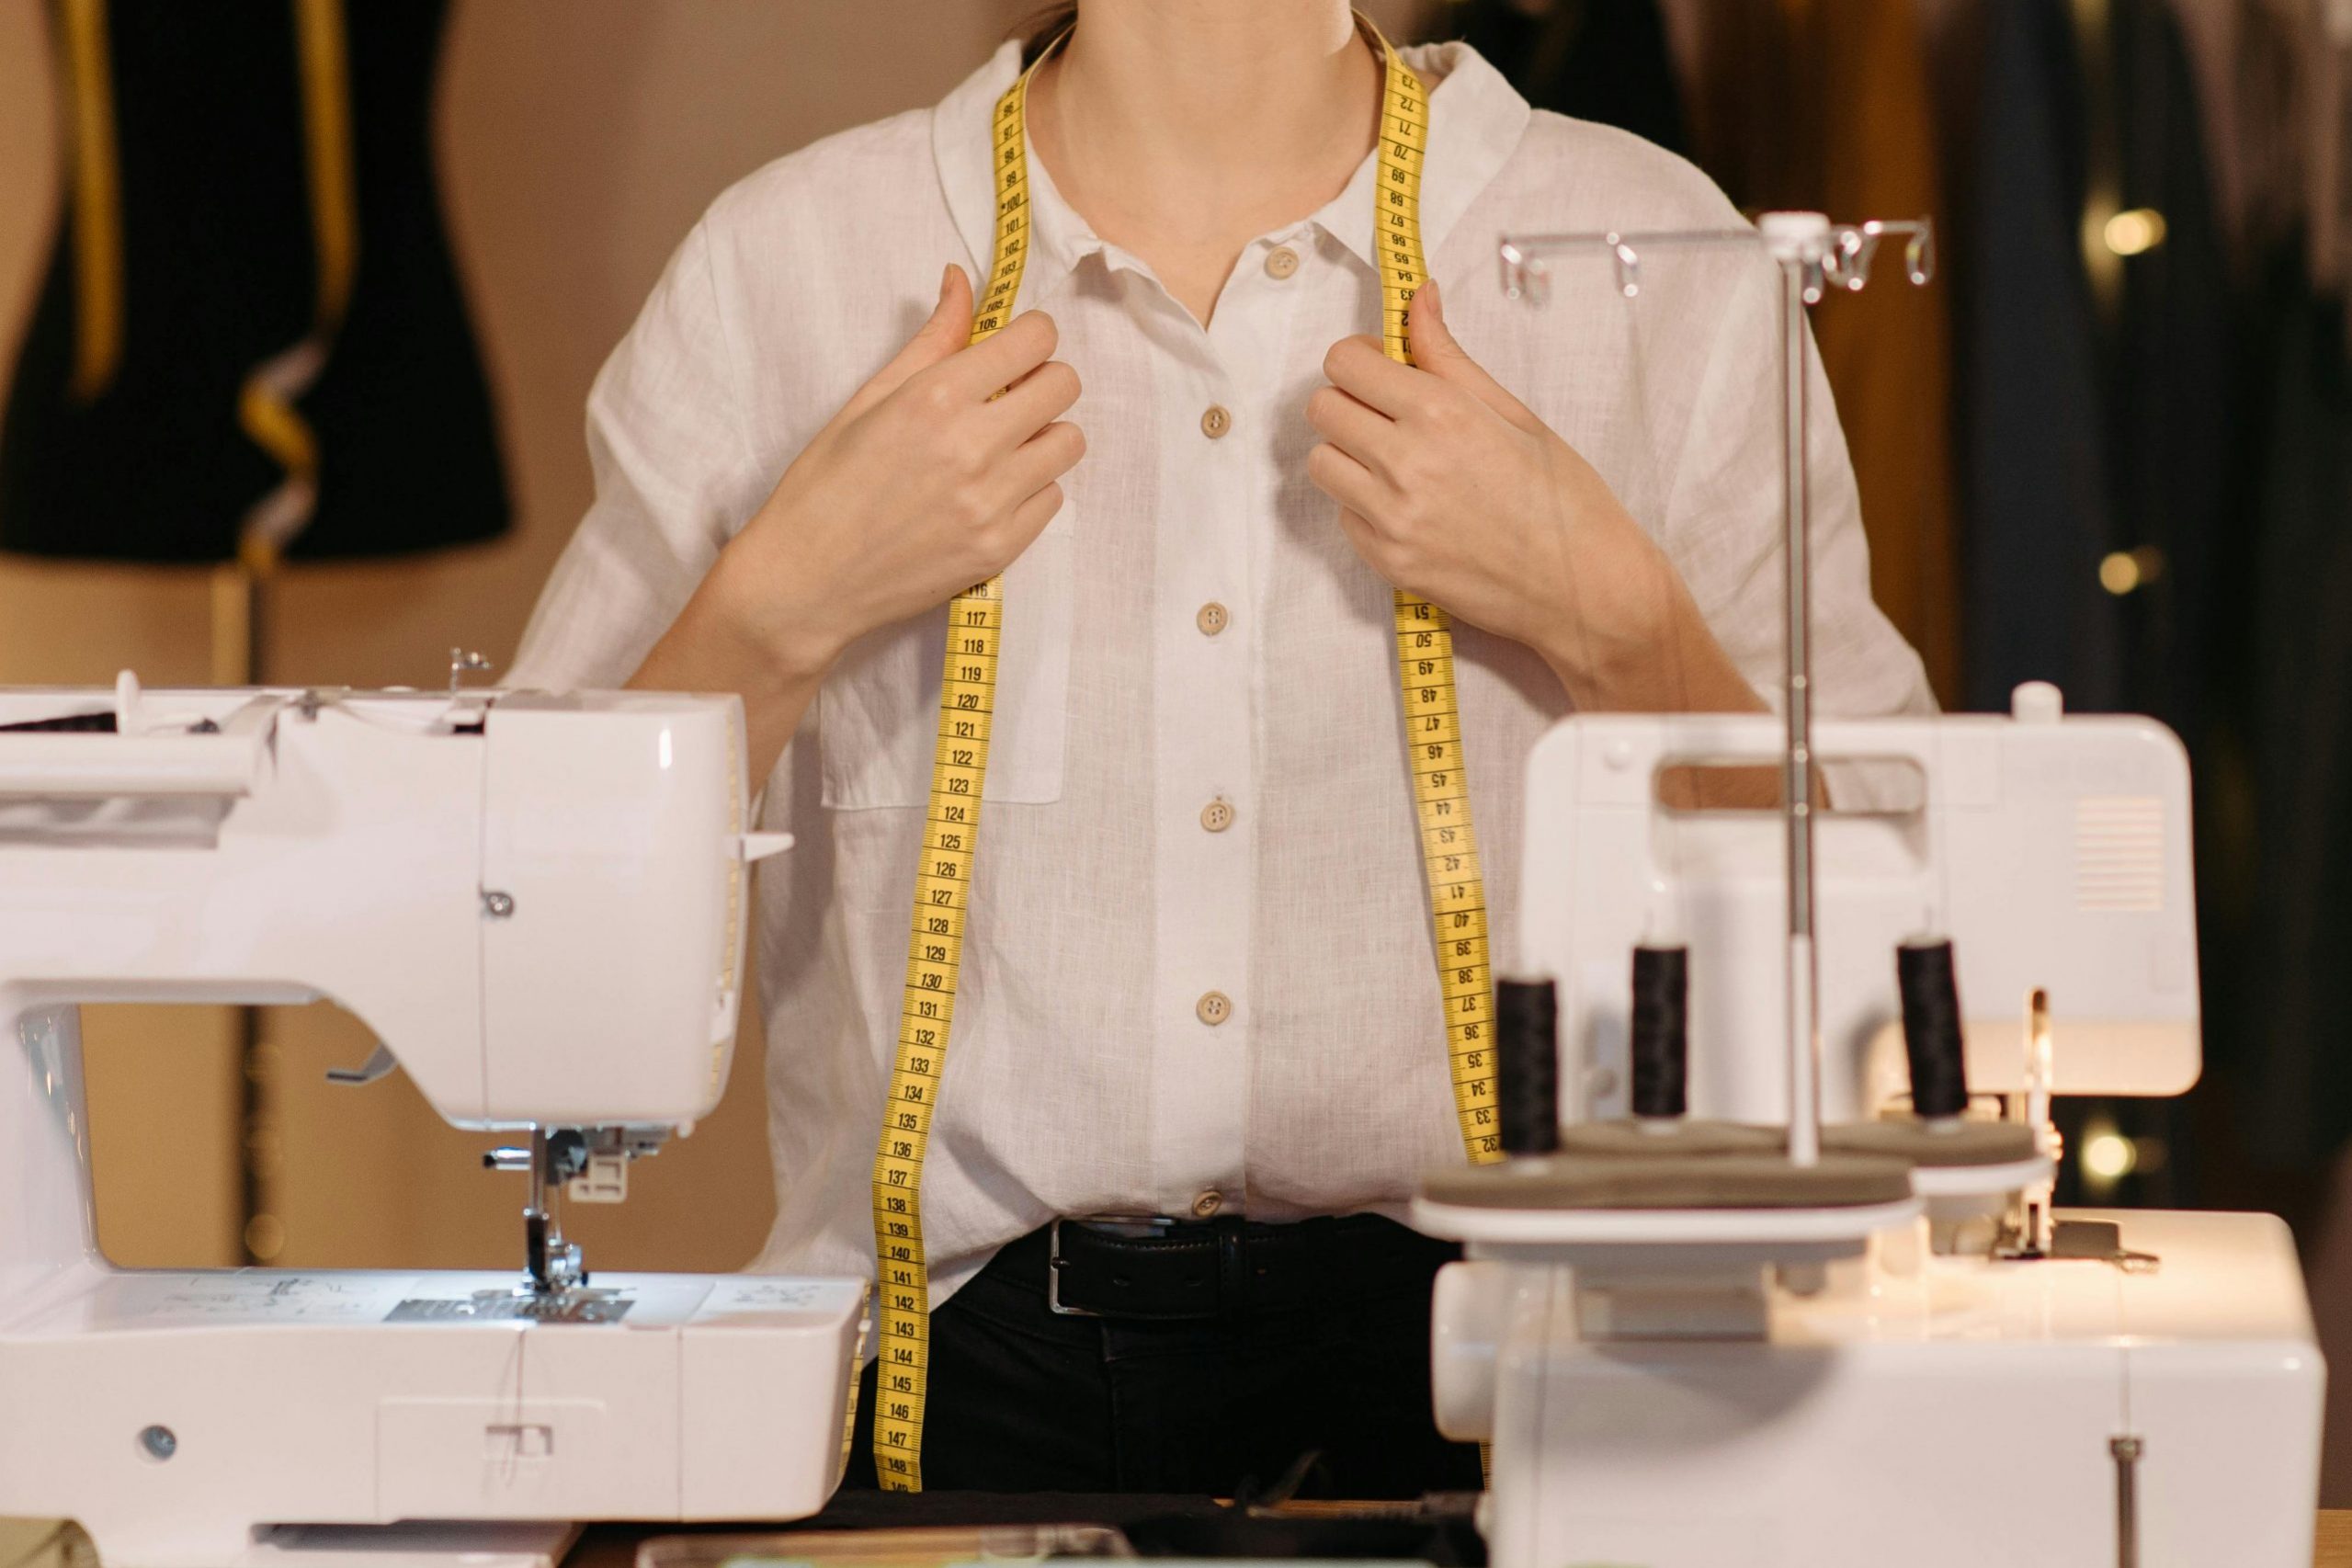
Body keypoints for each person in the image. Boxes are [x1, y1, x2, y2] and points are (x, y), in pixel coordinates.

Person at [510, 0, 1931, 1496]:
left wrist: (1625, 627)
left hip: (1500, 1370)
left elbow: (1898, 950)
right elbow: (529, 932)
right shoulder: (786, 271)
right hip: (951, 1391)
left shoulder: (1656, 261)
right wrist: (772, 613)